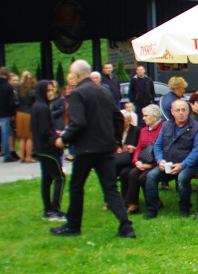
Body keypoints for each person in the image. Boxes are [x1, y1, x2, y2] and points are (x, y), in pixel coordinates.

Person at [49, 60, 135, 239]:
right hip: (106, 148)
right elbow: (118, 118)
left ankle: (73, 226)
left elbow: (78, 122)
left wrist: (63, 140)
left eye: (70, 73)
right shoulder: (103, 90)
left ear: (78, 74)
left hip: (86, 149)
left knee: (76, 186)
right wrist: (116, 141)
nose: (68, 77)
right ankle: (126, 227)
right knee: (110, 188)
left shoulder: (78, 93)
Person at [143, 98, 198, 218]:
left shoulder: (197, 128)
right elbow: (158, 145)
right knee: (150, 176)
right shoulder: (166, 126)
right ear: (172, 112)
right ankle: (151, 209)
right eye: (178, 110)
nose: (181, 113)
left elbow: (197, 151)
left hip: (190, 165)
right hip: (168, 164)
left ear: (188, 111)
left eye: (183, 110)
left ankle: (184, 208)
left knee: (182, 178)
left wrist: (183, 165)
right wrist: (160, 160)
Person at [30, 80, 65, 222]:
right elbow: (45, 131)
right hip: (47, 148)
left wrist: (53, 132)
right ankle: (54, 210)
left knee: (46, 178)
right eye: (48, 90)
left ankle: (47, 209)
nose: (51, 93)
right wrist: (56, 139)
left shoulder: (37, 106)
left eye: (52, 90)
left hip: (39, 147)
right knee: (59, 177)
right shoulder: (42, 107)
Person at [120, 104, 163, 214]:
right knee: (133, 173)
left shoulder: (163, 129)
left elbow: (163, 150)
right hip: (143, 161)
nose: (143, 118)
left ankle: (154, 201)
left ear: (154, 117)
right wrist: (136, 161)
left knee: (144, 177)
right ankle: (133, 204)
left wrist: (152, 165)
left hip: (157, 162)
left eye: (145, 116)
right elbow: (139, 147)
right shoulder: (143, 130)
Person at [15, 71, 37, 163]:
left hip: (19, 114)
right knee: (29, 137)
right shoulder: (33, 91)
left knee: (21, 137)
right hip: (29, 114)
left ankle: (22, 157)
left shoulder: (19, 89)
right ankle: (28, 157)